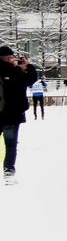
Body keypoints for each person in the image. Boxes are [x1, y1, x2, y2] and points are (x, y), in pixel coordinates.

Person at [0, 46, 37, 183]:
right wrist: (28, 66)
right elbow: (31, 80)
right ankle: (8, 172)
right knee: (10, 145)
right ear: (9, 58)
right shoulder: (15, 72)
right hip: (11, 115)